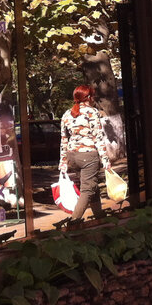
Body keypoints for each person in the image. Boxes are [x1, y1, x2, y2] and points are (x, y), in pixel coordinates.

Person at [58, 84, 110, 221]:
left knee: (92, 184)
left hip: (72, 156)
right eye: (93, 96)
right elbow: (98, 137)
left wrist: (63, 161)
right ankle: (74, 222)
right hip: (88, 156)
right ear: (89, 97)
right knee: (87, 189)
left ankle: (99, 215)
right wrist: (105, 159)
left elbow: (64, 139)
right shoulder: (92, 112)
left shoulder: (67, 114)